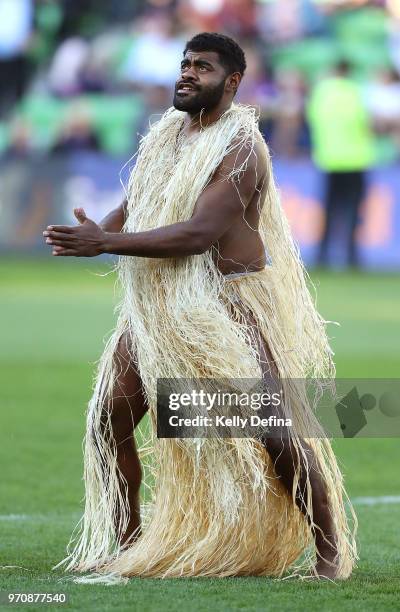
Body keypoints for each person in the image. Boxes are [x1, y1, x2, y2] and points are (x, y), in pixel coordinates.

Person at [43, 33, 357, 583]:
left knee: (273, 431)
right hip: (157, 305)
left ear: (232, 81)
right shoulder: (168, 132)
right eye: (185, 64)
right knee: (107, 421)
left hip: (223, 302)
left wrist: (106, 245)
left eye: (202, 67)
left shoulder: (241, 146)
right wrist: (101, 228)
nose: (187, 73)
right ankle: (129, 544)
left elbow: (199, 233)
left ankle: (331, 550)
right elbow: (139, 201)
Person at [307, 60, 375, 268]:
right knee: (353, 211)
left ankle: (322, 256)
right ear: (349, 72)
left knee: (328, 209)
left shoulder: (321, 93)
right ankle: (352, 257)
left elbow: (312, 119)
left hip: (329, 159)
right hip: (356, 159)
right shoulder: (357, 92)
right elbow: (365, 122)